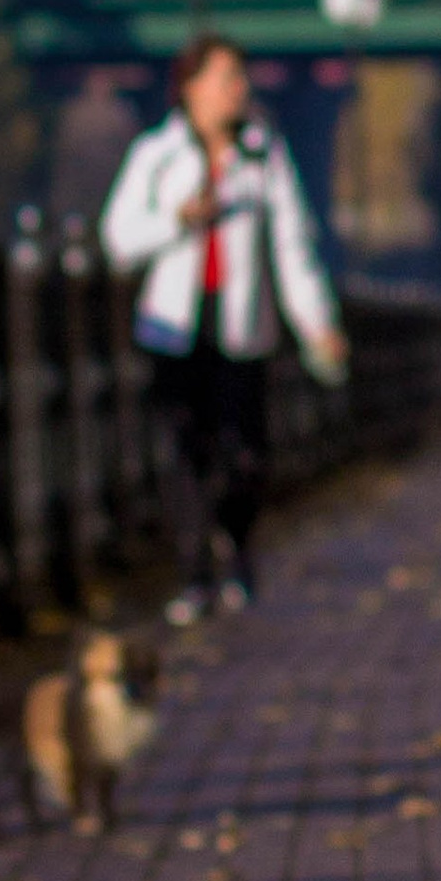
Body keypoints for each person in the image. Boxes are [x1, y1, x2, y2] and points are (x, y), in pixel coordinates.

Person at [100, 34, 349, 625]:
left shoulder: (264, 155)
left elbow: (291, 247)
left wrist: (317, 324)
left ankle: (235, 548)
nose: (239, 90)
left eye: (240, 79)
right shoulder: (155, 155)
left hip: (242, 330)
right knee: (184, 450)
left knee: (244, 455)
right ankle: (194, 575)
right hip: (173, 332)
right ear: (192, 88)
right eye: (227, 78)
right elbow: (117, 238)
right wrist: (176, 220)